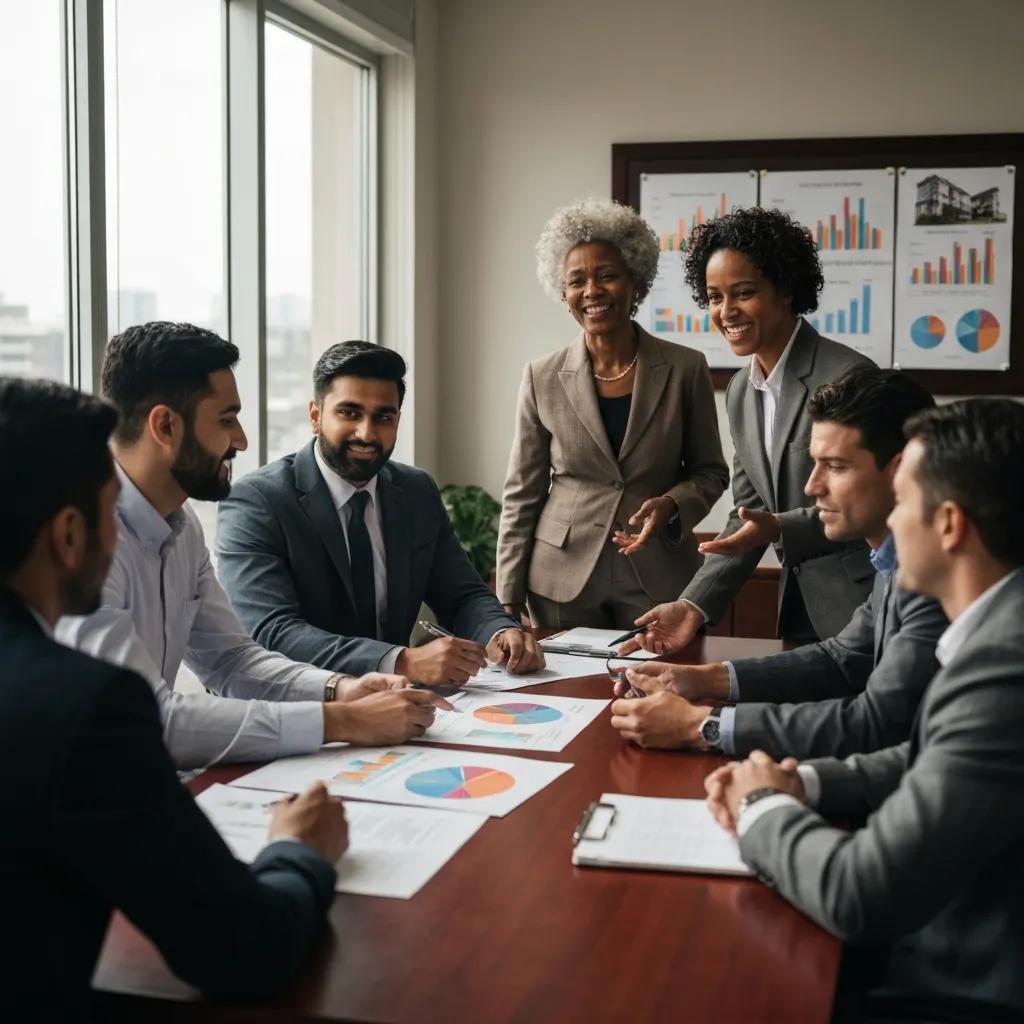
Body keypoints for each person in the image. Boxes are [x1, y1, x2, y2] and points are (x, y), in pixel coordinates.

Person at [0, 377, 345, 1018]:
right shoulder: (88, 708)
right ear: (69, 535)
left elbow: (231, 656)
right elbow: (245, 951)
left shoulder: (180, 530)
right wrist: (300, 850)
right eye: (109, 511)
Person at [705, 399, 1024, 1022]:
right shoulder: (998, 631)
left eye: (903, 503)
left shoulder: (1003, 665)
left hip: (964, 986)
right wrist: (803, 781)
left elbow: (860, 892)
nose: (891, 530)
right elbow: (928, 758)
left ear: (950, 525)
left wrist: (761, 806)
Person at [58, 323, 442, 770]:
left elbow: (232, 659)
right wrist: (339, 721)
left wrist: (340, 688)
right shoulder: (82, 543)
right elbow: (144, 719)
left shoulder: (181, 529)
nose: (240, 439)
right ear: (164, 425)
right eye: (226, 419)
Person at [611, 366, 947, 760]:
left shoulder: (936, 577)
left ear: (903, 470)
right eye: (814, 464)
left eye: (836, 467)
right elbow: (841, 659)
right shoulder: (893, 557)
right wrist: (693, 678)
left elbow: (877, 723)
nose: (811, 487)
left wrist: (699, 725)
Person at [619, 207, 874, 655]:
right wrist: (692, 605)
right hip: (797, 614)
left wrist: (776, 526)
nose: (725, 311)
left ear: (786, 291)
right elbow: (750, 514)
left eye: (744, 293)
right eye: (714, 297)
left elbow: (875, 503)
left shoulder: (849, 377)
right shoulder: (741, 390)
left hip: (863, 607)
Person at [216, 341, 543, 683]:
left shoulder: (415, 491)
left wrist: (500, 632)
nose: (367, 433)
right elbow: (272, 632)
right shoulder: (256, 501)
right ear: (315, 416)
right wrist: (400, 661)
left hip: (402, 706)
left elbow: (462, 594)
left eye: (383, 417)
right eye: (349, 413)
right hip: (304, 709)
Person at [496, 198, 729, 630]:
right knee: (565, 693)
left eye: (607, 276)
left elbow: (710, 472)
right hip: (561, 577)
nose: (592, 292)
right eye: (576, 281)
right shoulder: (541, 375)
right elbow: (522, 493)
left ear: (635, 284)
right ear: (563, 293)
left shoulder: (685, 368)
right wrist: (507, 593)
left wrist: (671, 504)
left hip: (658, 571)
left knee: (655, 689)